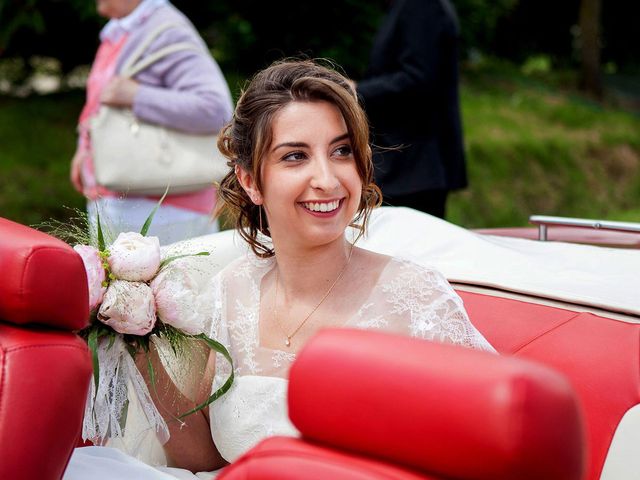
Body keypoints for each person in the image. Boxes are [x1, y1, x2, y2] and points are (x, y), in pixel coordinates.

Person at [64, 59, 494, 479]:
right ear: (251, 181)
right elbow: (202, 456)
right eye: (295, 157)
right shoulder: (228, 292)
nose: (327, 179)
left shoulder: (416, 298)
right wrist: (141, 346)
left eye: (341, 151)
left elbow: (487, 443)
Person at [70, 0, 234, 245]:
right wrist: (84, 151)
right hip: (128, 198)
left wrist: (137, 95)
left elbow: (215, 108)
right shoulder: (124, 30)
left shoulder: (165, 31)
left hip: (166, 209)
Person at [354, 0, 466, 219]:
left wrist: (358, 90)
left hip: (413, 167)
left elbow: (419, 78)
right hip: (410, 167)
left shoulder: (421, 5)